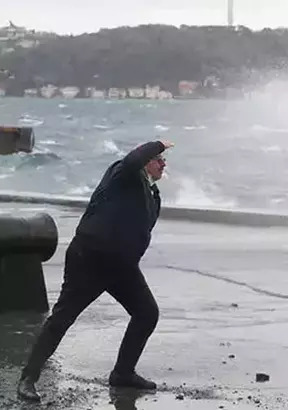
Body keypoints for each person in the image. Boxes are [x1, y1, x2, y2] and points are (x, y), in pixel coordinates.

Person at [17, 140, 174, 402]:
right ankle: (27, 379)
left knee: (146, 313)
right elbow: (132, 159)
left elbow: (141, 228)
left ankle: (123, 373)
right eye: (158, 158)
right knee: (62, 319)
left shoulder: (151, 192)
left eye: (163, 159)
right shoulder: (123, 173)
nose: (163, 163)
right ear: (146, 161)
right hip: (90, 260)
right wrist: (157, 144)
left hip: (121, 266)